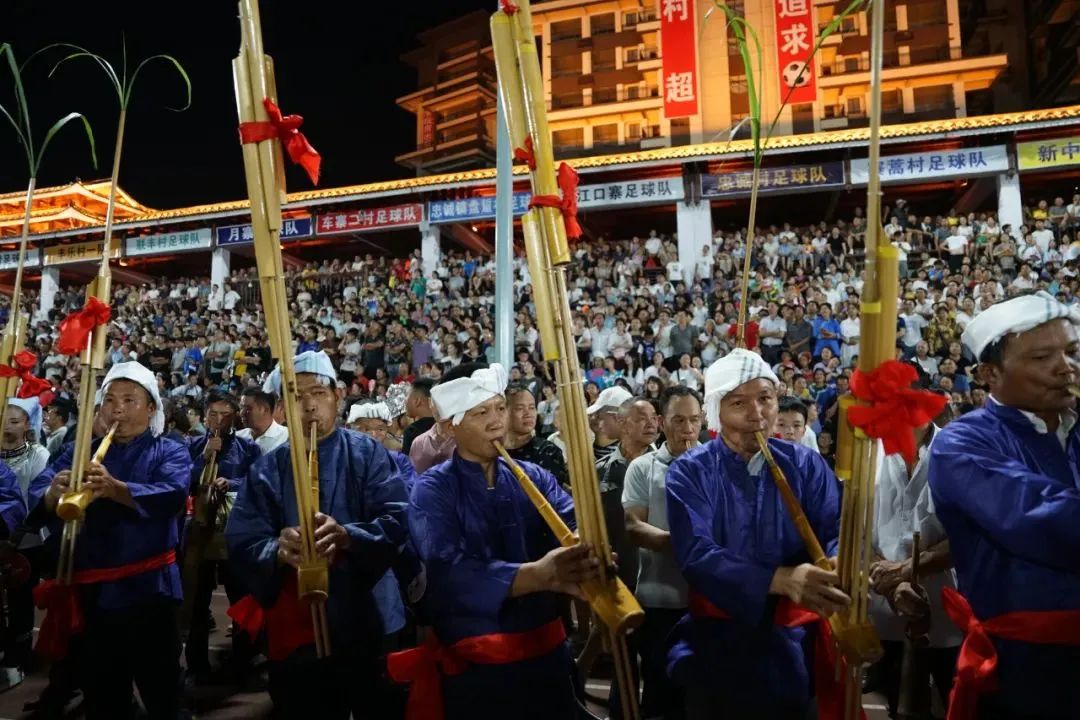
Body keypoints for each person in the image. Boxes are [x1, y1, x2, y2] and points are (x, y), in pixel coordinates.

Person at [391, 363, 603, 719]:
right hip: (477, 668)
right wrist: (538, 575)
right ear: (449, 427)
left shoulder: (535, 476)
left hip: (547, 656)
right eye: (481, 413)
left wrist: (587, 549)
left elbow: (569, 521)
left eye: (500, 408)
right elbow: (448, 571)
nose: (497, 421)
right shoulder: (432, 490)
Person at [226, 350, 409, 719]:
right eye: (296, 396)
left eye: (319, 393)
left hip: (367, 614)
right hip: (299, 621)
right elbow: (243, 539)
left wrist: (347, 536)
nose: (309, 405)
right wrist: (278, 548)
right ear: (281, 408)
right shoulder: (266, 469)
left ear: (337, 398)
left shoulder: (368, 454)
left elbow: (397, 520)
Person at [666, 349, 848, 719]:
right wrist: (781, 580)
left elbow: (834, 528)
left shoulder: (805, 463)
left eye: (766, 399)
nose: (757, 413)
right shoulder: (690, 472)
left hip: (796, 645)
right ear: (718, 412)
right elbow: (697, 554)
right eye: (739, 403)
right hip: (716, 645)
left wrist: (836, 558)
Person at [928, 291, 1080, 720]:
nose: (1065, 368)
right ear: (989, 374)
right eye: (1041, 358)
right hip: (1024, 666)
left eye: (1072, 352)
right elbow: (1044, 520)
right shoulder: (962, 444)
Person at [29, 361, 191, 719]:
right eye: (110, 400)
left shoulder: (171, 451)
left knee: (162, 690)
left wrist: (116, 490)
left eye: (130, 400)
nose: (118, 408)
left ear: (152, 408)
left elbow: (173, 494)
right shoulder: (79, 450)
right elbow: (40, 488)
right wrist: (53, 494)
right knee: (102, 693)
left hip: (149, 591)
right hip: (92, 597)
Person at [866, 418, 961, 715]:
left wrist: (908, 570)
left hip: (948, 598)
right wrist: (894, 580)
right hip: (885, 597)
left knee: (956, 697)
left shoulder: (958, 450)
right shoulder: (868, 450)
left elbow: (975, 532)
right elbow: (852, 525)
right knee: (898, 700)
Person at [621, 385, 701, 720]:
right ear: (662, 422)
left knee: (702, 693)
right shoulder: (642, 468)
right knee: (660, 690)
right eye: (679, 420)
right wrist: (688, 547)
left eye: (694, 420)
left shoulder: (716, 465)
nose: (688, 429)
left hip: (707, 600)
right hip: (659, 599)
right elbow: (634, 526)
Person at [183, 390, 261, 682]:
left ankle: (243, 661)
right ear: (204, 417)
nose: (218, 420)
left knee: (240, 597)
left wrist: (232, 482)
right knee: (198, 600)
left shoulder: (248, 448)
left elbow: (258, 482)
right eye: (213, 414)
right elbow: (181, 482)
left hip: (234, 533)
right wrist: (203, 459)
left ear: (235, 418)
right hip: (199, 533)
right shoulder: (190, 445)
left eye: (225, 415)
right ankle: (196, 665)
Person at [0, 397, 47, 687]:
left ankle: (20, 655)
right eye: (5, 419)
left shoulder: (37, 454)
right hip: (1, 534)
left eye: (14, 421)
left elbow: (37, 495)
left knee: (20, 600)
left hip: (26, 537)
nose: (7, 426)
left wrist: (16, 533)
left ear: (27, 424)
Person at [503, 382, 569, 488]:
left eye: (532, 407)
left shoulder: (547, 451)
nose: (528, 414)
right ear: (503, 412)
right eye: (520, 408)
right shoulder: (490, 452)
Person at [235, 387, 288, 455]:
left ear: (265, 410)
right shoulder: (238, 437)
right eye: (241, 407)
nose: (242, 413)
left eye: (248, 408)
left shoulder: (286, 437)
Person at [401, 378, 436, 455]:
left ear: (417, 401)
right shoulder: (446, 427)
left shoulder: (412, 431)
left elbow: (406, 465)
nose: (405, 400)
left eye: (407, 395)